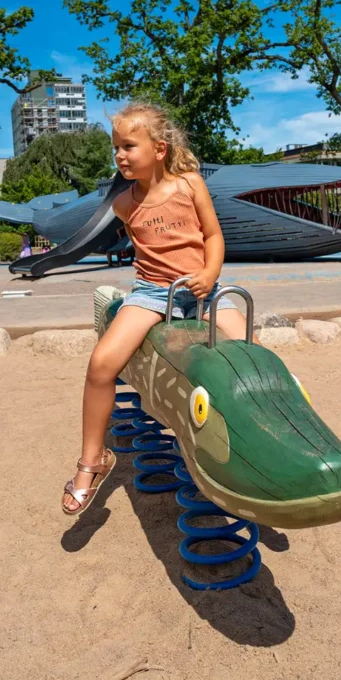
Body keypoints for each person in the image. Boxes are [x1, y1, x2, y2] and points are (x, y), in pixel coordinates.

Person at [62, 101, 255, 516]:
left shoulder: (189, 184)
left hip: (203, 290)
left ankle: (259, 445)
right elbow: (82, 237)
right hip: (152, 293)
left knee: (253, 353)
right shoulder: (123, 204)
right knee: (101, 364)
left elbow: (214, 235)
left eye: (129, 146)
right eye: (116, 147)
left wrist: (209, 271)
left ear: (160, 149)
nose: (119, 155)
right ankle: (92, 461)